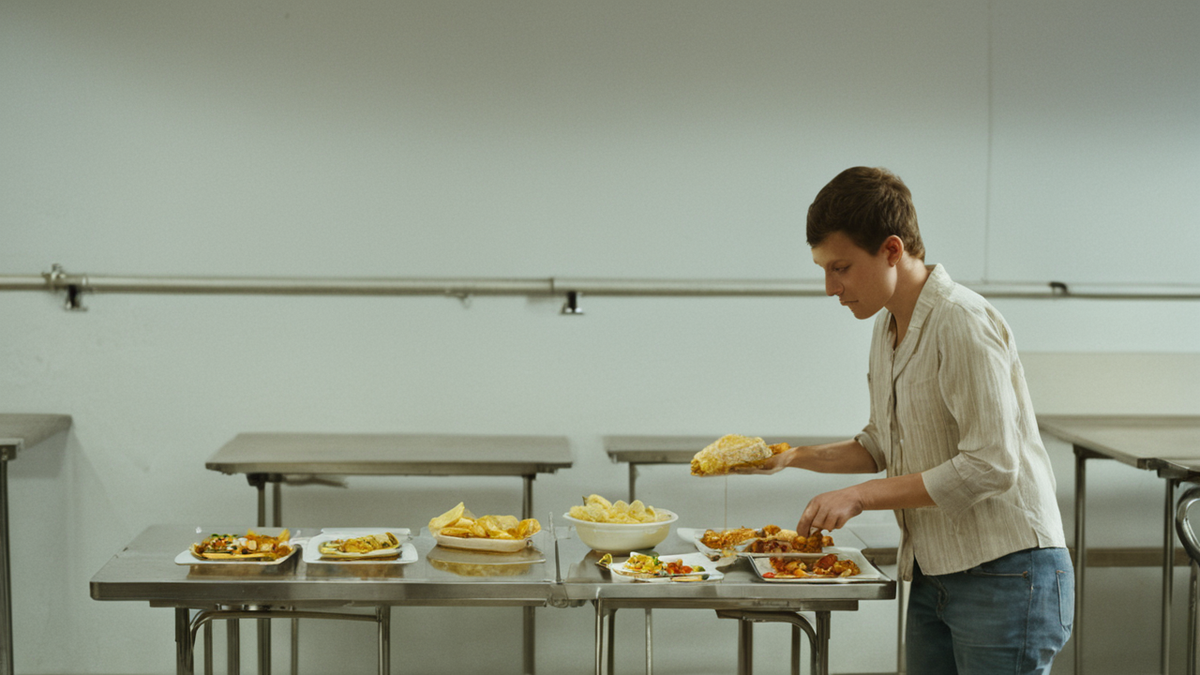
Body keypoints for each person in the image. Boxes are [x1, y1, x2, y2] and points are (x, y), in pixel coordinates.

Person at [741, 166, 1072, 674]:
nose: (830, 287)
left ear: (892, 251)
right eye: (824, 269)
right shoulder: (887, 326)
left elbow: (991, 465)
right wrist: (791, 457)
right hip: (936, 569)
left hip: (1009, 570)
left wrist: (860, 495)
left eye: (842, 267)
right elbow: (880, 443)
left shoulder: (960, 320)